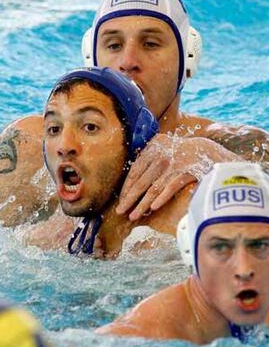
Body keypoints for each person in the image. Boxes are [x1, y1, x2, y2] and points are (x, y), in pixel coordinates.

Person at [0, 0, 269, 231]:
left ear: (187, 59)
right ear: (92, 57)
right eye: (113, 44)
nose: (128, 61)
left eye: (150, 43)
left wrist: (213, 161)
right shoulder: (30, 144)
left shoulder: (234, 145)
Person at [25, 67, 243, 257]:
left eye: (90, 127)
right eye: (54, 129)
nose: (64, 146)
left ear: (135, 139)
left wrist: (214, 156)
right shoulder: (51, 235)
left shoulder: (184, 217)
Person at [97, 161, 269, 343]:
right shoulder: (141, 336)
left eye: (260, 245)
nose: (244, 269)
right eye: (220, 247)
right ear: (190, 250)